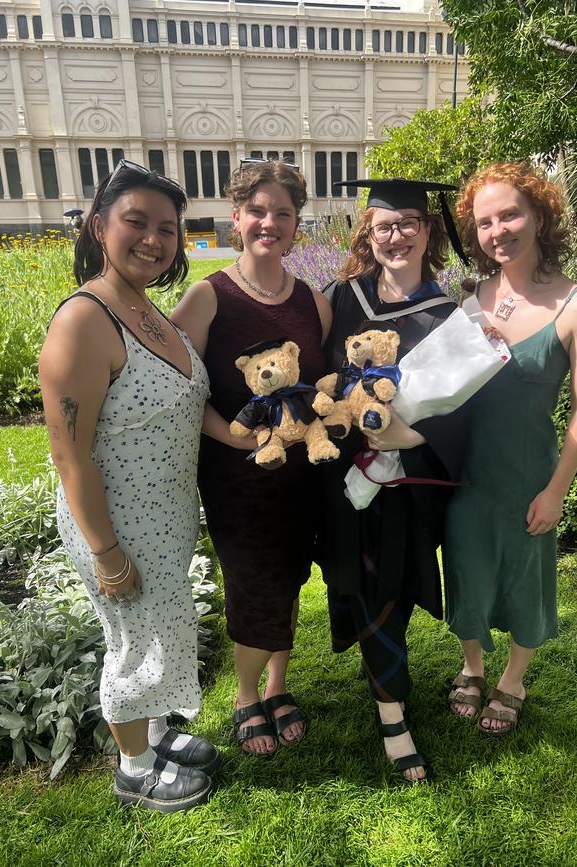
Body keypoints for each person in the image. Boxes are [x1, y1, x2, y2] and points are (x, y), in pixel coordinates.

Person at [39, 160, 220, 812]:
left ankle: (161, 734)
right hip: (113, 522)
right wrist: (107, 552)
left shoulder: (147, 310)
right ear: (99, 226)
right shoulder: (85, 320)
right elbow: (69, 454)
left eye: (166, 228)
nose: (153, 239)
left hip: (165, 516)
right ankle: (134, 767)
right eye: (136, 223)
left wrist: (252, 439)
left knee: (161, 628)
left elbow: (182, 408)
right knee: (133, 639)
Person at [171, 160, 332, 756]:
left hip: (300, 477)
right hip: (238, 479)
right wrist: (230, 435)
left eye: (283, 213)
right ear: (236, 218)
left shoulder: (312, 301)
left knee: (289, 576)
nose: (270, 222)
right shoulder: (209, 297)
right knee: (252, 580)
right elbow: (173, 385)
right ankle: (245, 694)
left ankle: (278, 683)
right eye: (258, 211)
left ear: (296, 224)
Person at [318, 178, 472, 782]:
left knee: (394, 585)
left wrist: (415, 438)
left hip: (408, 480)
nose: (396, 234)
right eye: (384, 225)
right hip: (345, 477)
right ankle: (391, 711)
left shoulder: (447, 313)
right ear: (368, 233)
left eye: (409, 222)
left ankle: (387, 689)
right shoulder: (342, 297)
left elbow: (465, 406)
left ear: (428, 232)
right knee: (360, 581)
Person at [443, 161, 577, 735]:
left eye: (510, 213)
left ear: (539, 215)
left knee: (523, 576)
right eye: (485, 222)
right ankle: (471, 664)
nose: (498, 230)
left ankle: (512, 678)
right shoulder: (467, 298)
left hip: (527, 474)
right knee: (466, 567)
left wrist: (557, 490)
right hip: (465, 471)